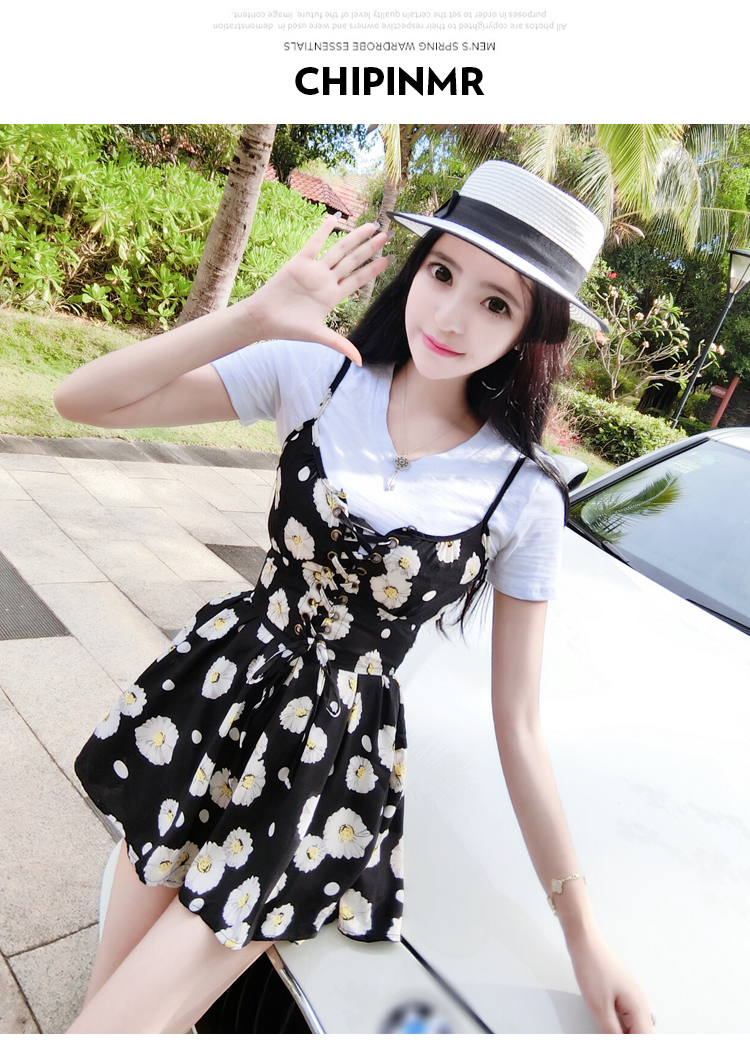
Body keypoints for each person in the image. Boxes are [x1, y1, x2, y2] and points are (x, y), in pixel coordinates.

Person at [57, 160, 653, 1033]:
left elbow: (520, 726)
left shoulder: (521, 496)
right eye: (443, 273)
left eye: (497, 303)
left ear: (531, 332)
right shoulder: (317, 373)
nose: (449, 317)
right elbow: (82, 402)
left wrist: (583, 933)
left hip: (316, 771)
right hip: (215, 704)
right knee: (101, 1009)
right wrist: (253, 317)